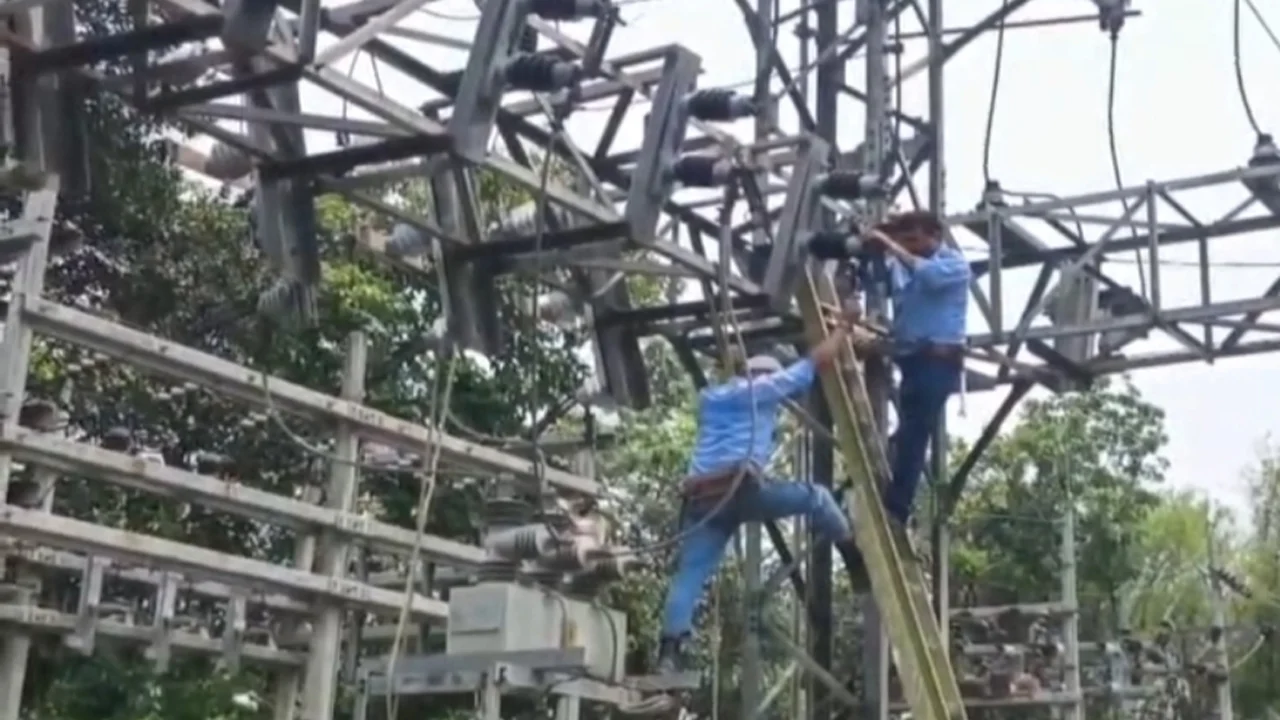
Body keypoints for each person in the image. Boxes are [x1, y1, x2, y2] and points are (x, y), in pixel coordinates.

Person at [655, 319, 866, 674]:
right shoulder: (761, 391)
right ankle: (851, 553)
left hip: (703, 499)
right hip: (739, 490)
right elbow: (815, 361)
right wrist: (844, 327)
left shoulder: (710, 398)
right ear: (763, 376)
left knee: (689, 574)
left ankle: (668, 651)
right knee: (815, 497)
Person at [858, 210, 970, 523]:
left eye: (914, 239)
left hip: (938, 363)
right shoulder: (902, 267)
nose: (909, 246)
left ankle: (897, 508)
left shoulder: (954, 265)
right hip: (911, 360)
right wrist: (872, 251)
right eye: (904, 240)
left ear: (935, 236)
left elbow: (929, 277)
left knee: (914, 434)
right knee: (909, 432)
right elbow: (876, 282)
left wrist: (892, 246)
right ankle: (894, 493)